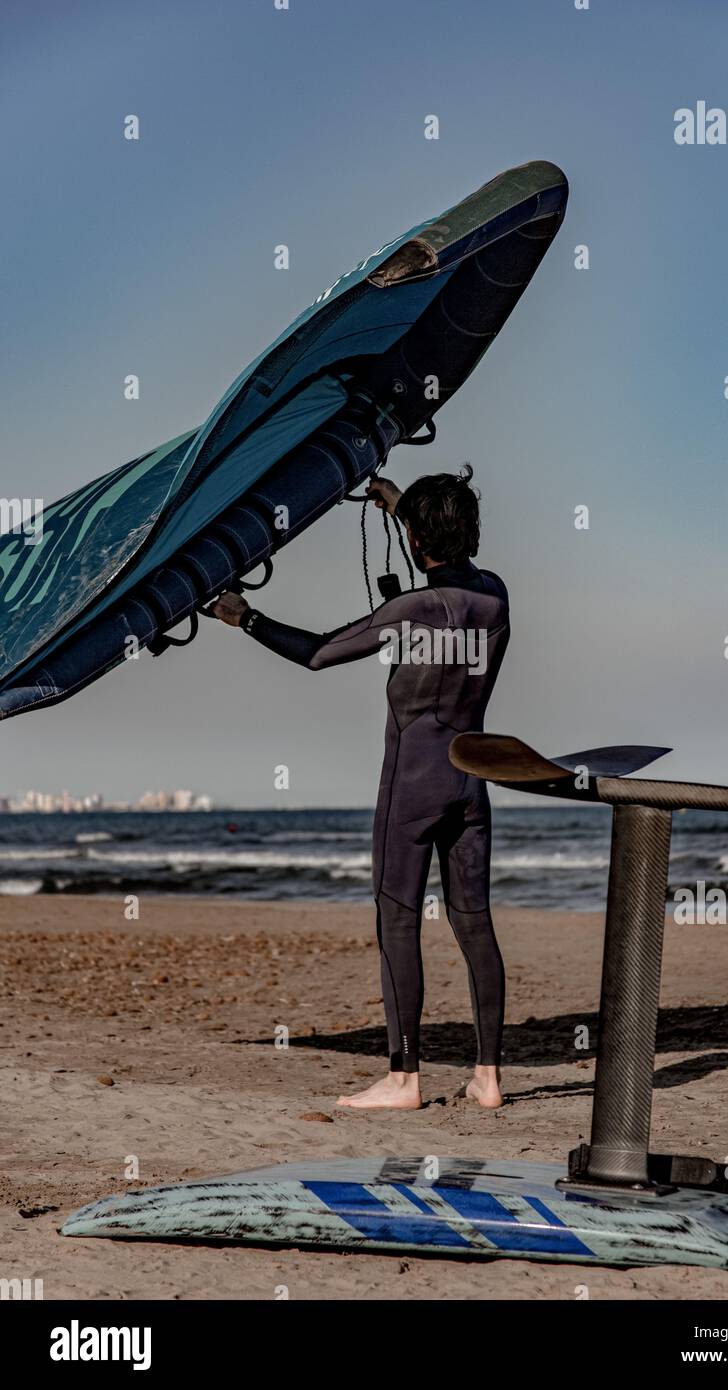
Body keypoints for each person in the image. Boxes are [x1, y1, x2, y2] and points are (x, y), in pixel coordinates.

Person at [210, 467, 509, 1110]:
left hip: (413, 786)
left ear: (420, 543)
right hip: (472, 779)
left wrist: (246, 617)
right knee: (474, 925)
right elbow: (450, 569)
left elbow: (319, 652)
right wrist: (405, 507)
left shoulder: (412, 609)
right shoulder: (495, 597)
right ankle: (488, 1077)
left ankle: (403, 1079)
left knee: (398, 920)